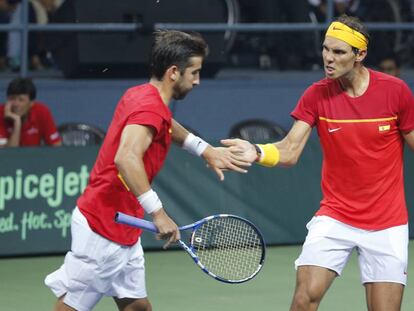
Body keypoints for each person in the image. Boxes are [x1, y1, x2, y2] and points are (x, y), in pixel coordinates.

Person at [44, 30, 248, 311]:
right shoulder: (150, 109)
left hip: (123, 225)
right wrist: (158, 213)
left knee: (138, 307)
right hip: (103, 229)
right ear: (174, 72)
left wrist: (205, 149)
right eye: (195, 73)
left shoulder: (142, 95)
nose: (198, 81)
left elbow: (166, 124)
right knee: (72, 306)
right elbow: (126, 158)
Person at [223, 14, 414, 311]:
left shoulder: (395, 92)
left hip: (387, 224)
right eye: (326, 49)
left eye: (338, 52)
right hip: (335, 217)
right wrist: (257, 152)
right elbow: (289, 150)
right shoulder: (316, 95)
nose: (328, 58)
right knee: (303, 300)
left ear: (360, 55)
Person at [0, 77, 61, 147]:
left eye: (21, 100)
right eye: (12, 99)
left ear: (31, 103)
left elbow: (56, 146)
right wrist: (17, 123)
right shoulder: (0, 113)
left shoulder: (42, 111)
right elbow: (6, 154)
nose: (16, 104)